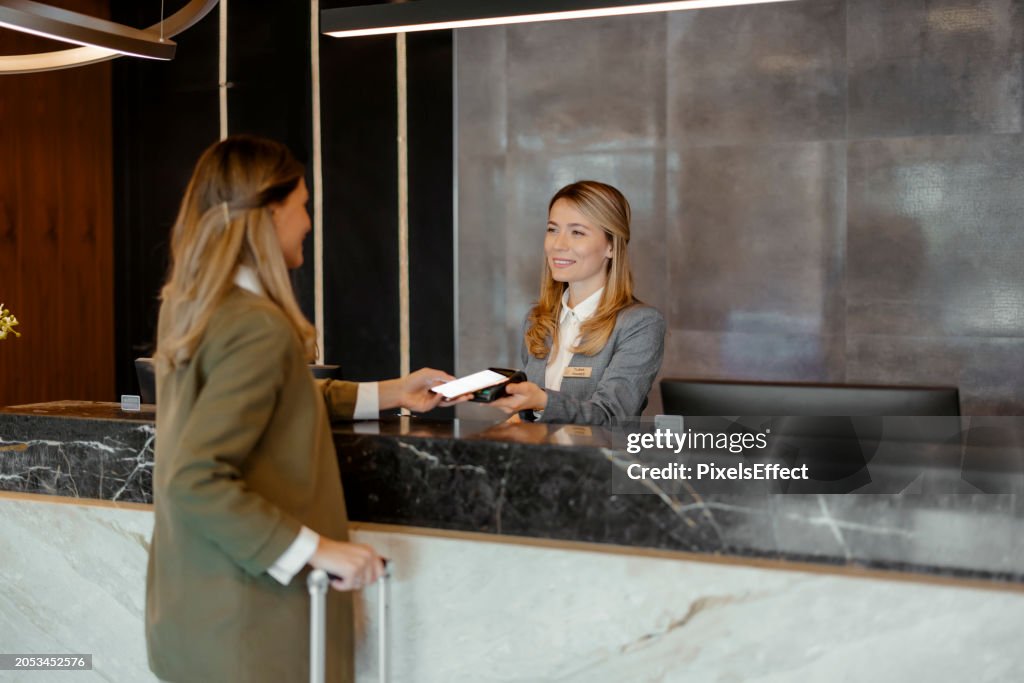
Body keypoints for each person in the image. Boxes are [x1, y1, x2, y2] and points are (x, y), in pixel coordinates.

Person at [145, 135, 456, 683]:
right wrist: (320, 551)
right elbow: (193, 478)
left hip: (195, 616)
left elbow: (281, 396)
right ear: (269, 213)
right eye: (303, 205)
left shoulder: (192, 307)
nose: (309, 222)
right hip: (252, 628)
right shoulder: (257, 326)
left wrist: (392, 392)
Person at [491, 180, 665, 426]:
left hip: (598, 463)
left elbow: (611, 417)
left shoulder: (640, 323)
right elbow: (532, 418)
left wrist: (540, 401)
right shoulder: (536, 319)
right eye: (552, 229)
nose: (558, 244)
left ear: (612, 246)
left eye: (577, 232)